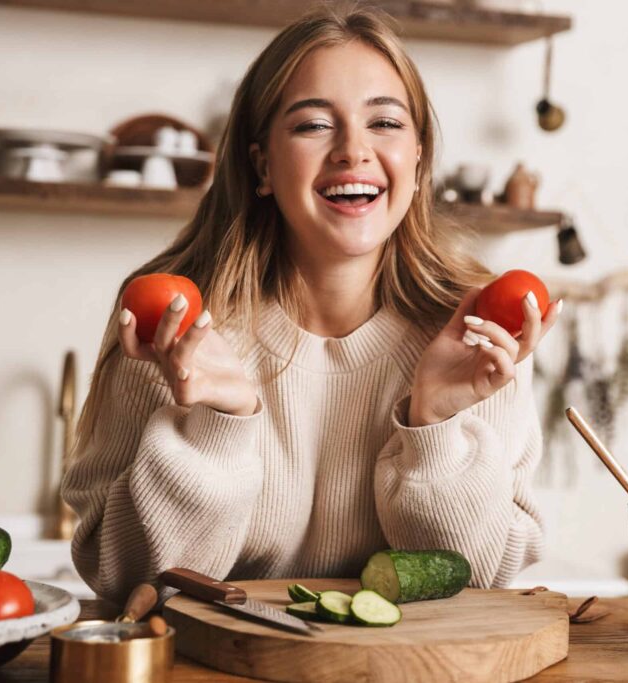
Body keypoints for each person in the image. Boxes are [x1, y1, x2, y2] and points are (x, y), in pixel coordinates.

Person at [62, 5, 561, 604]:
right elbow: (124, 580)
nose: (354, 151)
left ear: (420, 157)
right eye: (313, 126)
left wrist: (435, 425)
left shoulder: (481, 333)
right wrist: (215, 430)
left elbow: (482, 582)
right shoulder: (174, 324)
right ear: (262, 165)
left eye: (385, 123)